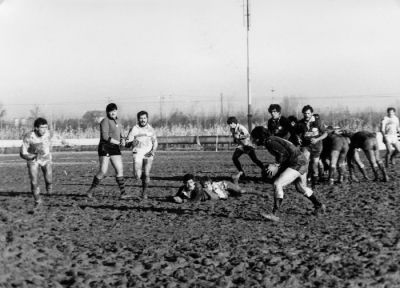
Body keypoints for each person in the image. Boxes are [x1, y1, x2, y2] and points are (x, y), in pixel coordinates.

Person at [251, 126, 326, 221]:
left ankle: (274, 214)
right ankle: (319, 205)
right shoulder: (272, 139)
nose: (254, 140)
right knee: (300, 187)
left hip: (297, 162)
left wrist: (276, 165)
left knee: (278, 183)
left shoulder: (269, 141)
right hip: (300, 160)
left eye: (255, 137)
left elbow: (283, 154)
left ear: (259, 137)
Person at [87, 103, 126, 198]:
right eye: (111, 111)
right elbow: (105, 137)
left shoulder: (119, 121)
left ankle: (123, 193)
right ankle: (90, 191)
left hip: (115, 148)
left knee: (119, 170)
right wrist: (118, 142)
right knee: (103, 171)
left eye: (114, 111)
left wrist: (123, 139)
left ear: (117, 111)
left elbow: (121, 134)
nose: (113, 113)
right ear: (107, 112)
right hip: (105, 147)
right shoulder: (105, 121)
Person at [123, 111, 158, 200]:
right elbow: (127, 144)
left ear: (147, 119)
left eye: (144, 118)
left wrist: (153, 151)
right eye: (141, 118)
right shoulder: (134, 129)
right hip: (137, 153)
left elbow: (155, 142)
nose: (143, 120)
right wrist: (131, 142)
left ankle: (144, 193)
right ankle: (142, 177)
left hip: (148, 153)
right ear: (138, 119)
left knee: (146, 173)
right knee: (137, 176)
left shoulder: (151, 129)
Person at [20, 117, 53, 206]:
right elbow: (22, 153)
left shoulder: (48, 134)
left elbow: (50, 143)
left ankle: (49, 187)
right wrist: (32, 156)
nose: (44, 130)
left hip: (45, 158)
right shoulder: (29, 136)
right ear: (36, 128)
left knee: (49, 179)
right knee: (34, 181)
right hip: (33, 160)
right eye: (42, 127)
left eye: (46, 127)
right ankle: (37, 200)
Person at [296, 105, 328, 187]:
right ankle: (305, 180)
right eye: (305, 113)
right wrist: (298, 138)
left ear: (312, 113)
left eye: (308, 113)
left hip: (317, 146)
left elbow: (325, 133)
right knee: (305, 162)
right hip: (306, 146)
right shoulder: (300, 123)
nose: (306, 115)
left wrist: (317, 139)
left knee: (314, 164)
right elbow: (297, 133)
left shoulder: (318, 122)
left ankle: (315, 180)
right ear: (303, 113)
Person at [227, 116, 264, 184]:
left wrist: (239, 137)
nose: (229, 125)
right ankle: (242, 173)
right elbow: (235, 137)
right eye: (228, 124)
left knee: (255, 160)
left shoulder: (241, 127)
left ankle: (264, 169)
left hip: (248, 145)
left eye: (230, 123)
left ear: (234, 123)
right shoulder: (232, 129)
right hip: (241, 146)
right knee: (234, 158)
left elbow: (247, 135)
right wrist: (235, 139)